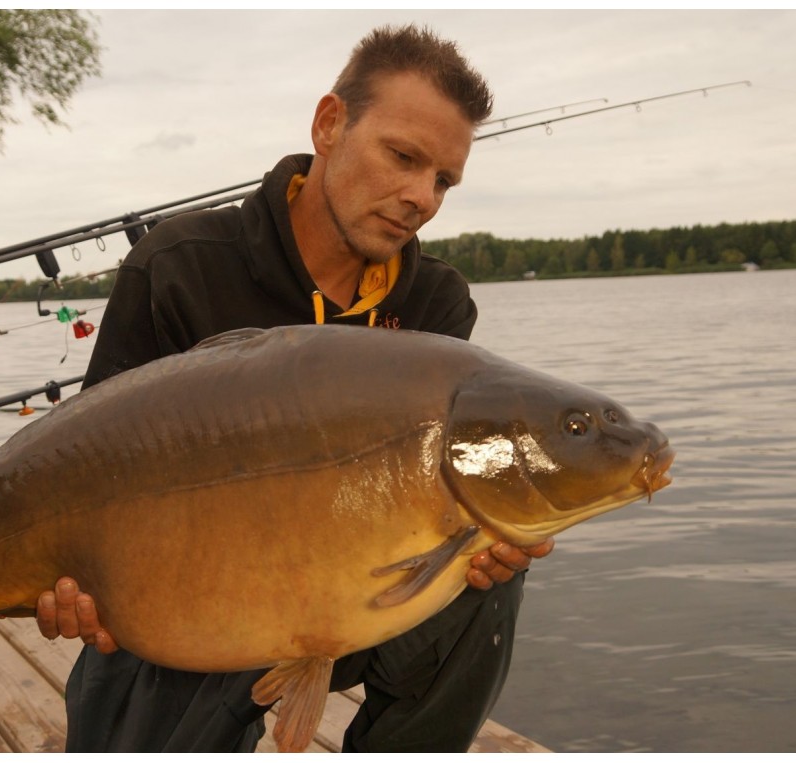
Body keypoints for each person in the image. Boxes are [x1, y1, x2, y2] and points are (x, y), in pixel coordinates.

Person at [36, 24, 553, 752]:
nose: (420, 198)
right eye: (403, 157)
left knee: (484, 582)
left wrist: (478, 537)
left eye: (442, 179)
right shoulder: (180, 267)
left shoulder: (436, 305)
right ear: (330, 125)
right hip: (186, 602)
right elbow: (85, 468)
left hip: (350, 596)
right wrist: (80, 583)